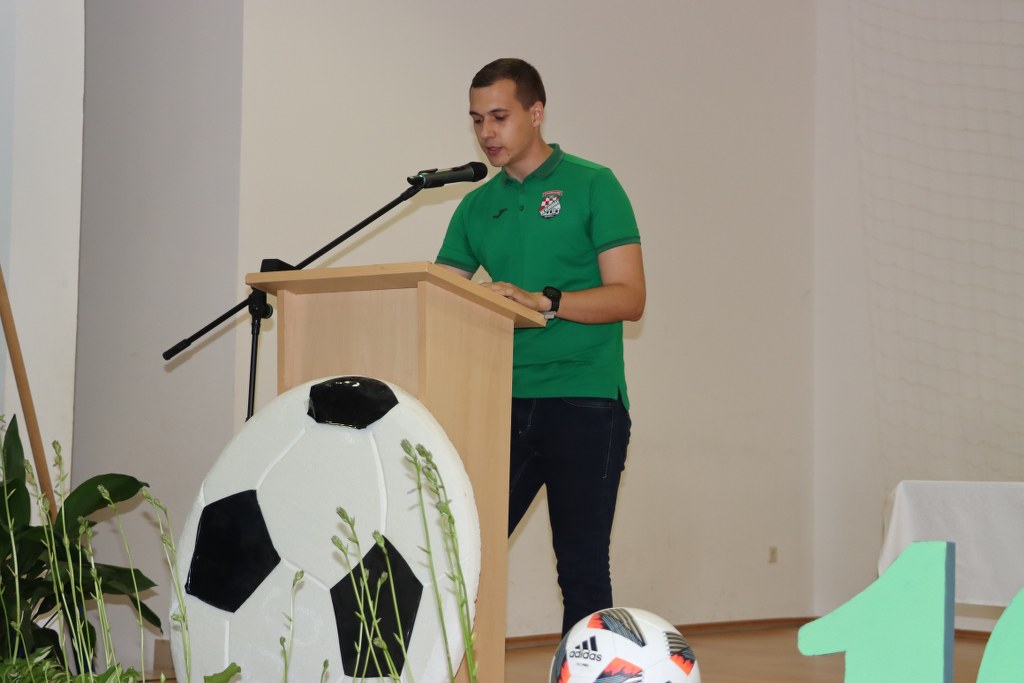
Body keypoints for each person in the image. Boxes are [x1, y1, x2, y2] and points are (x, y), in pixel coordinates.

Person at [435, 57, 645, 636]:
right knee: (457, 549)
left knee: (580, 567)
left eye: (499, 117)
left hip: (585, 400)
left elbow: (630, 297)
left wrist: (545, 301)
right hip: (503, 402)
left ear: (536, 112)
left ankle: (588, 672)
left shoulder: (593, 184)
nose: (486, 132)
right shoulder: (477, 205)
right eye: (476, 119)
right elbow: (442, 295)